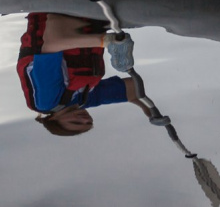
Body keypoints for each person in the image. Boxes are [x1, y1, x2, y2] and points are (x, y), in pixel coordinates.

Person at [18, 11, 146, 136]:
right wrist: (147, 109)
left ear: (52, 119)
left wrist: (107, 41)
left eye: (76, 122)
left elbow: (52, 44)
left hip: (58, 13)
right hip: (91, 17)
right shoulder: (83, 99)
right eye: (89, 122)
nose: (84, 119)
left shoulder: (47, 102)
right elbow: (133, 87)